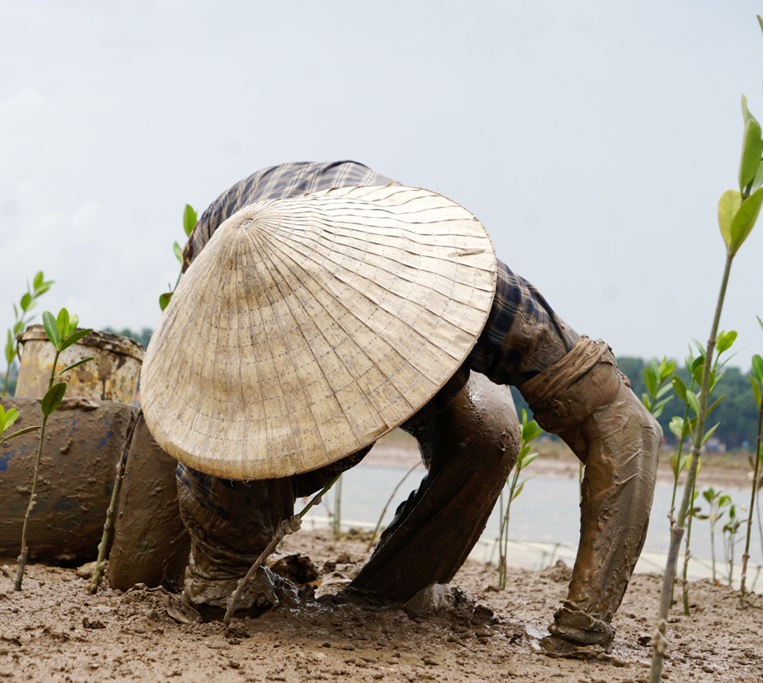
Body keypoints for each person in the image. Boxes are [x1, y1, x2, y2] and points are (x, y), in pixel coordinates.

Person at [140, 161, 661, 656]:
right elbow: (195, 422)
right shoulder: (233, 331)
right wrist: (229, 572)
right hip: (235, 257)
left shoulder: (463, 286)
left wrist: (583, 627)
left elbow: (624, 426)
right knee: (177, 573)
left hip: (360, 239)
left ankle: (383, 596)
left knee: (487, 433)